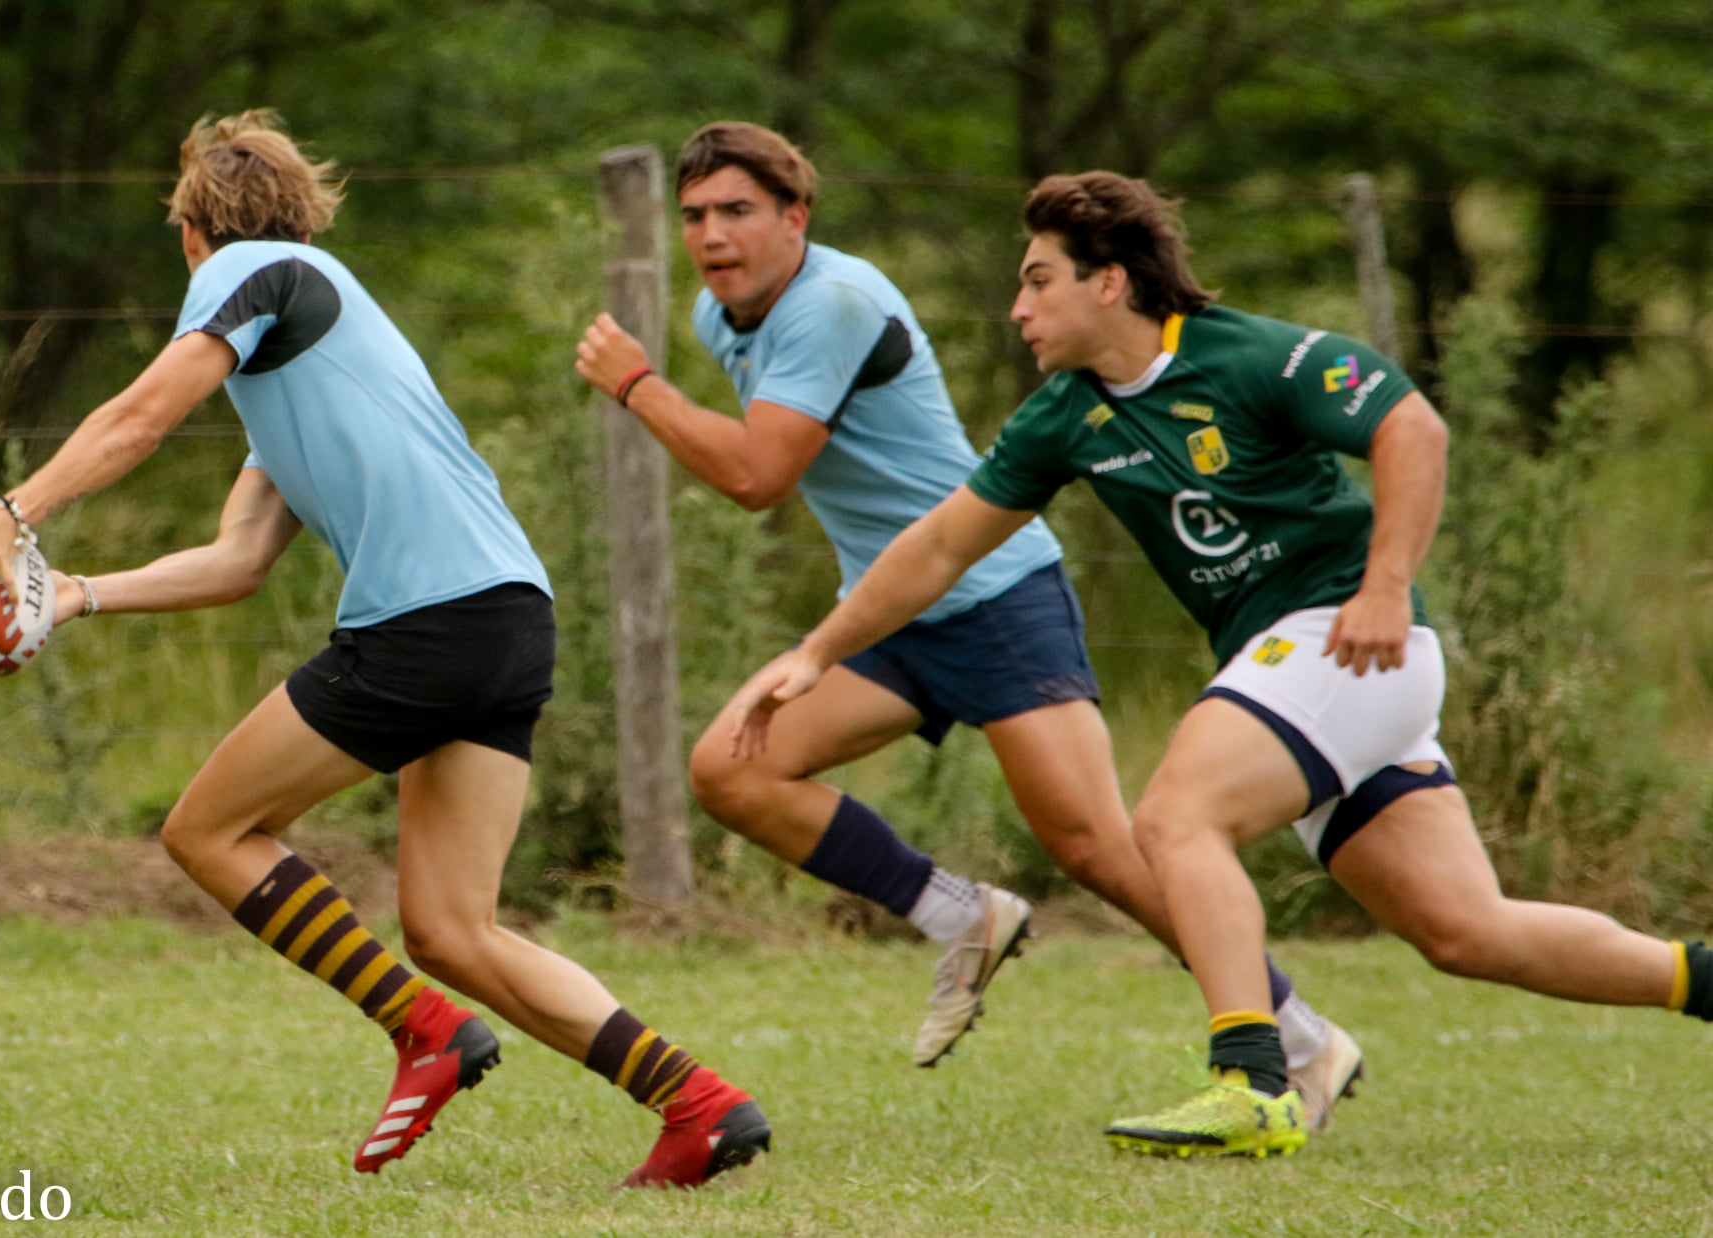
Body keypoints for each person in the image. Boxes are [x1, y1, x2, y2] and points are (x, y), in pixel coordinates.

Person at [718, 168, 1713, 1159]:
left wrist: (1383, 583)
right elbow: (939, 546)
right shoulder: (1067, 414)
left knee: (1173, 817)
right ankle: (1702, 979)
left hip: (1347, 640)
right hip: (1312, 674)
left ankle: (1253, 1078)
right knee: (1466, 932)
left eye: (1039, 281)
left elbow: (1412, 424)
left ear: (1108, 281)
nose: (1018, 307)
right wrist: (817, 651)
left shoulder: (1244, 356)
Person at [0, 109, 770, 1189]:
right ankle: (700, 1103)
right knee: (455, 928)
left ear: (194, 237)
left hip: (427, 624)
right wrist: (74, 595)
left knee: (209, 829)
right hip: (507, 619)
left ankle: (425, 1031)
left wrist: (12, 512)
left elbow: (139, 416)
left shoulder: (257, 271)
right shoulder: (313, 344)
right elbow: (237, 557)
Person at [572, 122, 1360, 1120]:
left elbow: (756, 475)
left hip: (994, 593)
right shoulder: (719, 312)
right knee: (732, 766)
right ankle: (963, 916)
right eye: (694, 216)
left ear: (795, 218)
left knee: (1098, 847)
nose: (712, 235)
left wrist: (638, 386)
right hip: (890, 610)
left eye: (737, 211)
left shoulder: (834, 303)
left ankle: (1300, 1037)